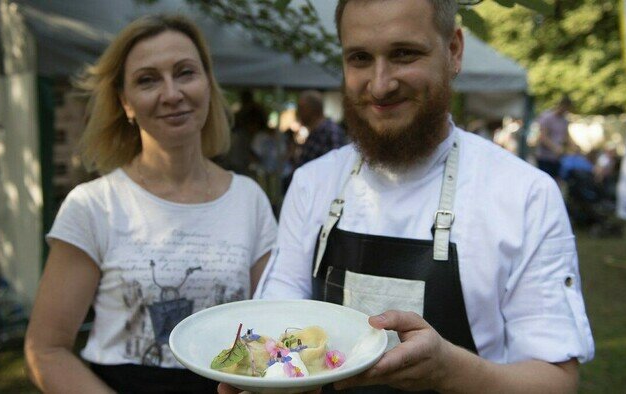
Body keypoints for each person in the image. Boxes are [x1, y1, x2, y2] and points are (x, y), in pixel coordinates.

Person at [245, 1, 594, 393]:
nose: (380, 84)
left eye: (404, 54)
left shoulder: (524, 194)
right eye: (360, 58)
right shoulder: (313, 183)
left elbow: (556, 382)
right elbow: (277, 322)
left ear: (454, 51)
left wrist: (448, 370)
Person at [24, 15, 277, 393]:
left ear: (208, 84)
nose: (171, 93)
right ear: (125, 102)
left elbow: (271, 325)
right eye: (148, 79)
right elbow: (45, 350)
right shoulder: (94, 204)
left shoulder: (249, 199)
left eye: (185, 72)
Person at [295, 90, 347, 167]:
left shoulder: (330, 131)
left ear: (312, 109)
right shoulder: (316, 131)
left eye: (301, 108)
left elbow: (336, 165)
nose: (298, 112)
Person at [534, 96, 576, 180]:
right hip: (544, 157)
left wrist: (574, 147)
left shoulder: (564, 121)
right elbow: (543, 137)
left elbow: (566, 136)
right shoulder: (547, 117)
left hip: (557, 159)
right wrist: (555, 148)